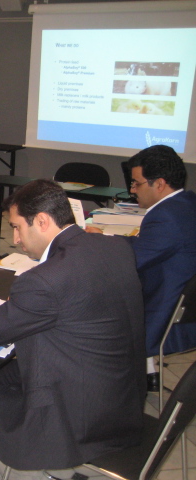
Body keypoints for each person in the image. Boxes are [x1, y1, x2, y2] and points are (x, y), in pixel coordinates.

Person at [0, 179, 146, 479]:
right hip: (118, 392)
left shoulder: (44, 280)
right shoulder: (115, 246)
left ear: (42, 221)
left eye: (17, 227)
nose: (15, 239)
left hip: (78, 416)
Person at [87, 145, 196, 392]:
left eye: (136, 183)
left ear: (160, 184)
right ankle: (146, 373)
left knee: (90, 302)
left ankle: (109, 389)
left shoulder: (165, 217)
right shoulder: (187, 203)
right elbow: (148, 247)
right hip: (184, 308)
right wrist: (106, 237)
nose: (132, 190)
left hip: (164, 318)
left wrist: (92, 246)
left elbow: (129, 262)